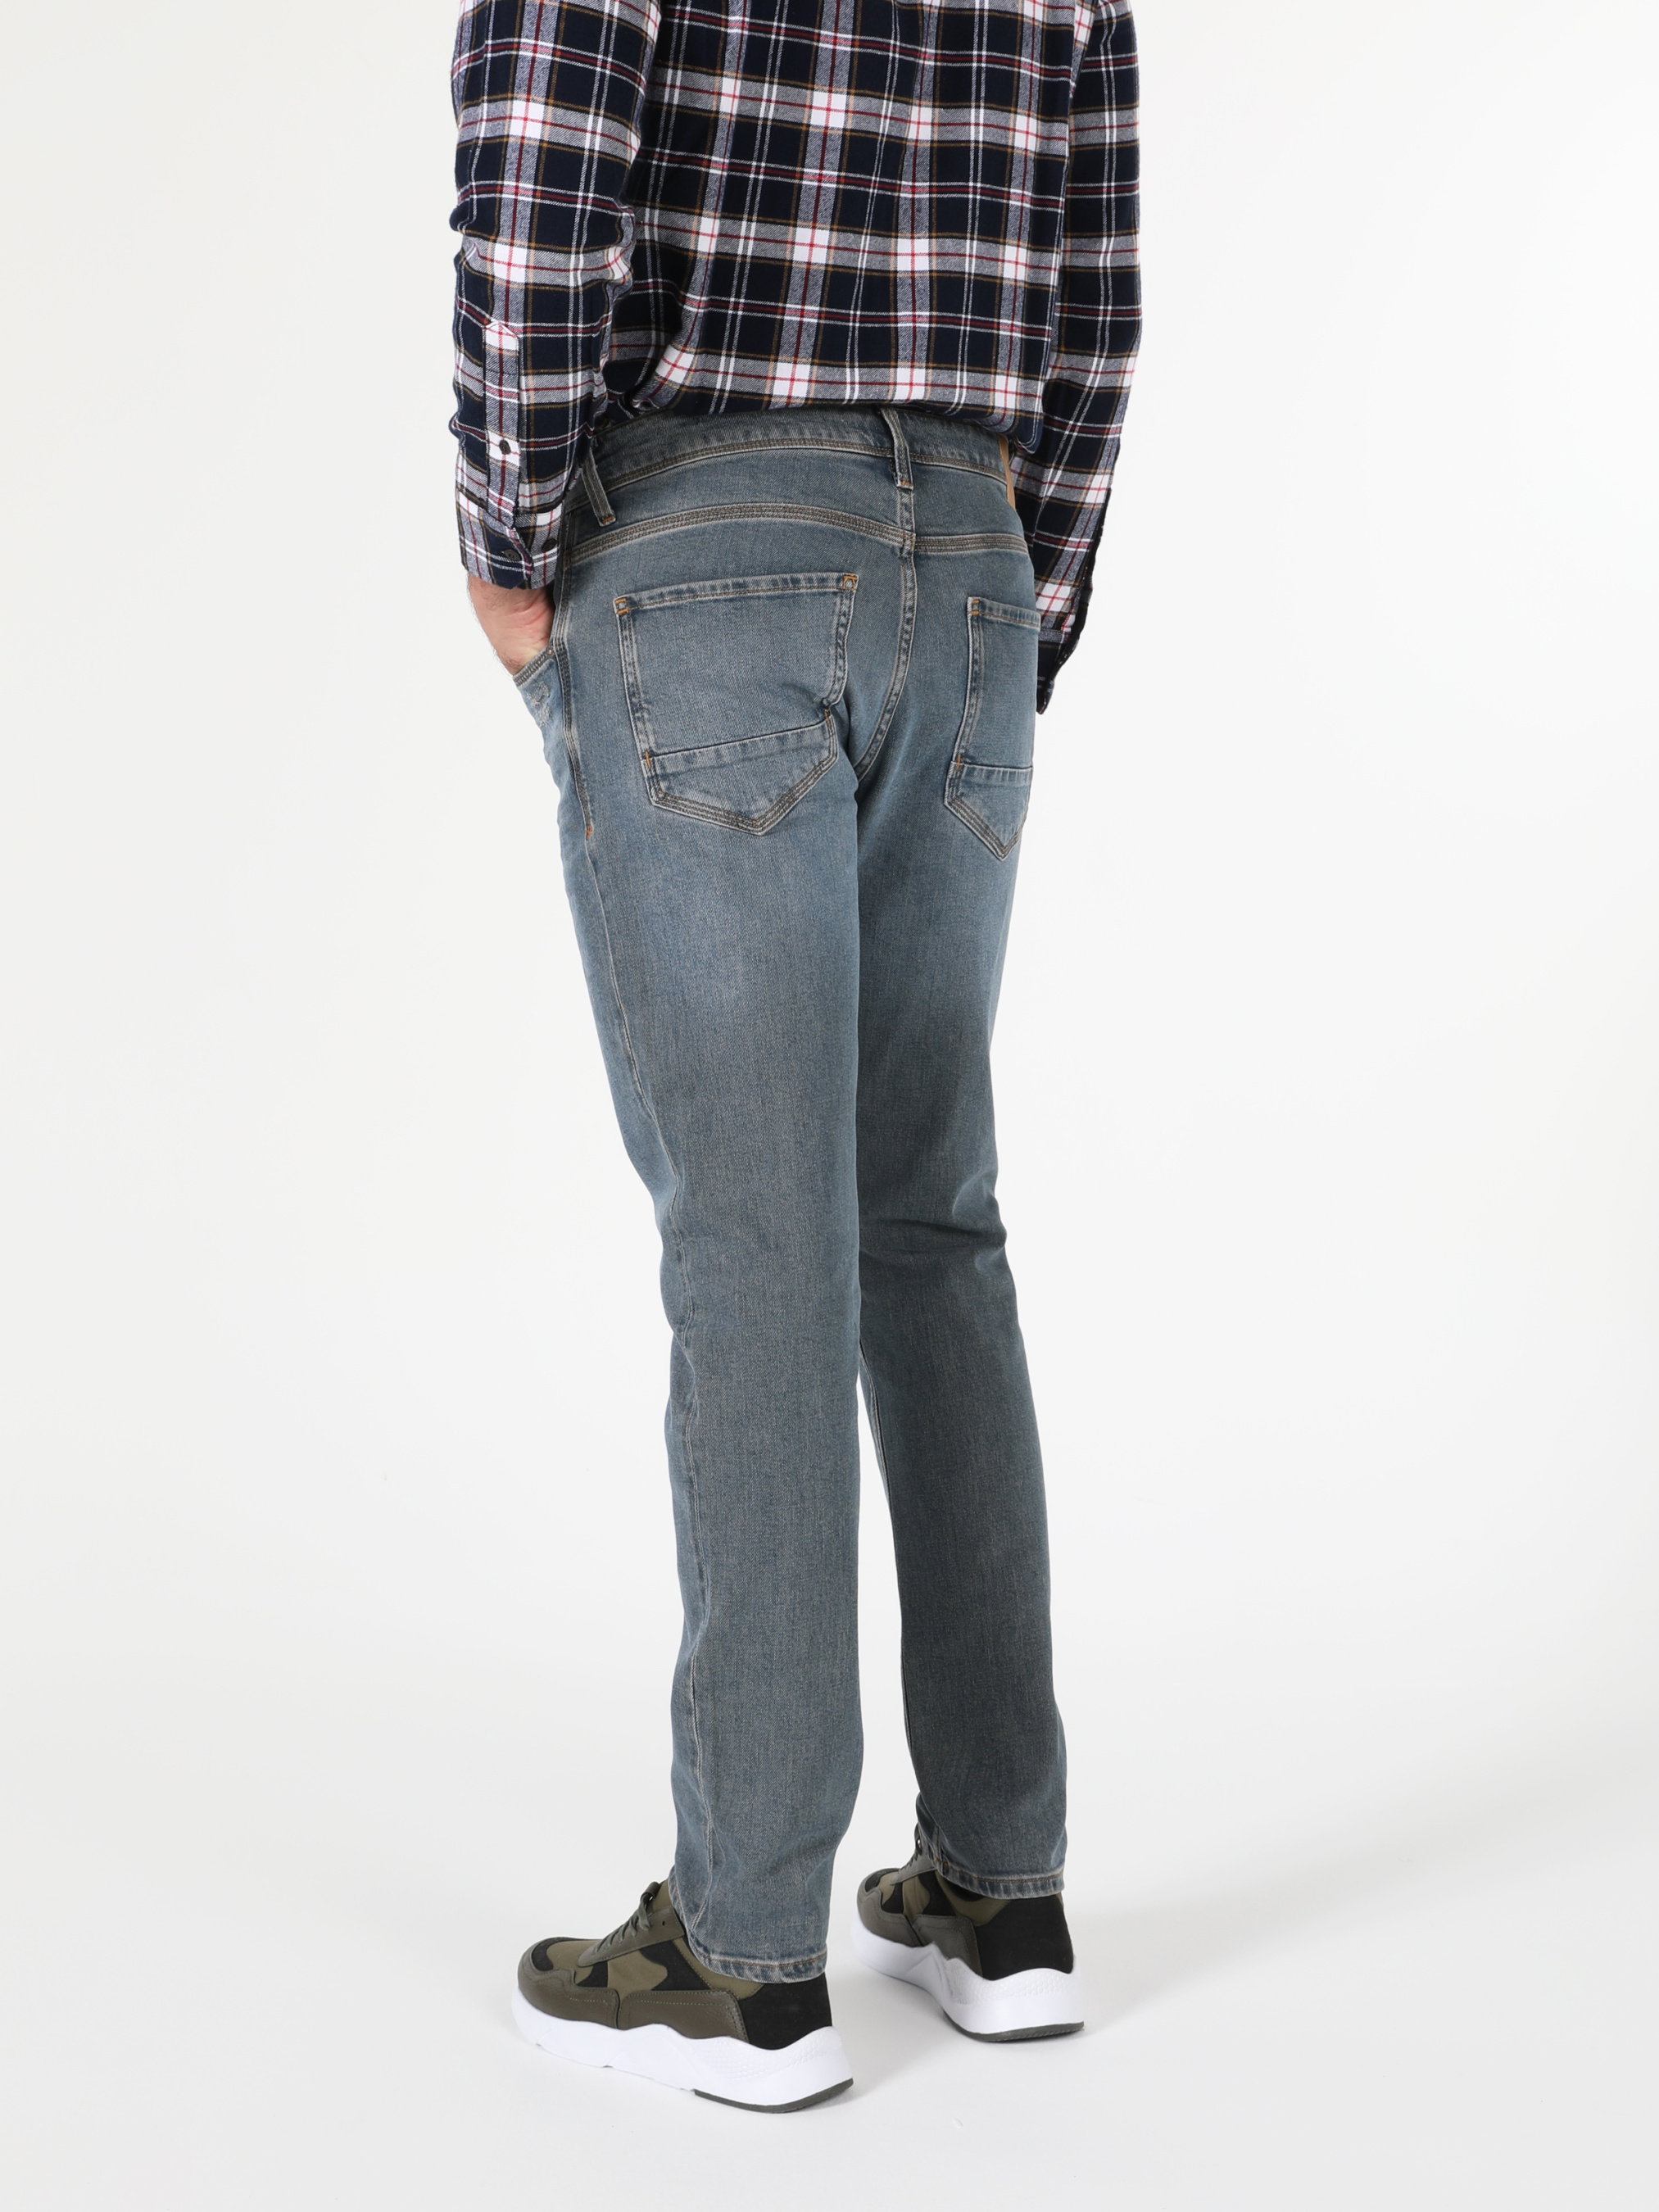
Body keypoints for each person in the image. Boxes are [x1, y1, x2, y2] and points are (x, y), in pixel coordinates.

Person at [451, 0, 1140, 2110]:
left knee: (760, 1241)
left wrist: (505, 532)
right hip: (972, 560)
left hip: (705, 538)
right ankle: (1003, 1898)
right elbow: (1094, 287)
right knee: (932, 1222)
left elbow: (545, 156)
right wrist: (1025, 589)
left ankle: (748, 1956)